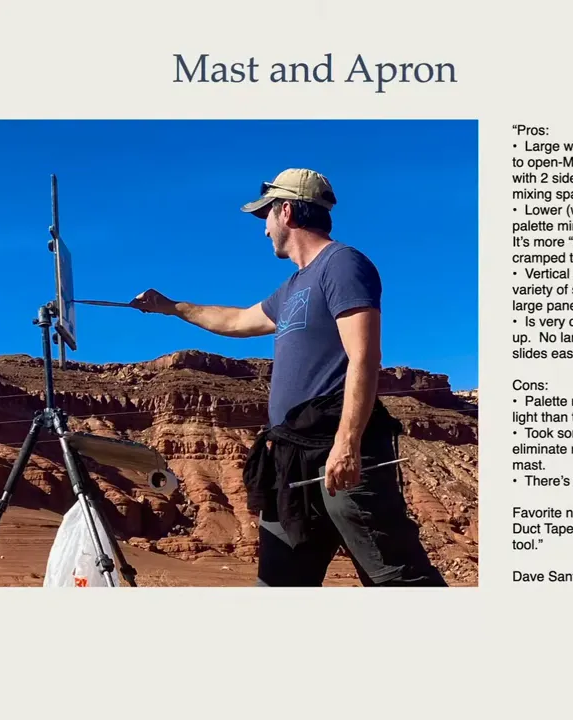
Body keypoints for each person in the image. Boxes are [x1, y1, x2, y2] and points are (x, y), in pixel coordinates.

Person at [130, 168, 447, 587]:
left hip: (339, 452)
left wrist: (347, 445)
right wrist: (173, 307)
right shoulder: (293, 286)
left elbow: (364, 358)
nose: (263, 230)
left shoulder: (343, 265)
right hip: (292, 461)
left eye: (266, 217)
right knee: (280, 586)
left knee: (399, 580)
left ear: (287, 212)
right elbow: (238, 320)